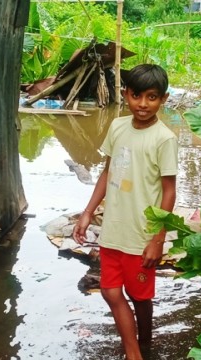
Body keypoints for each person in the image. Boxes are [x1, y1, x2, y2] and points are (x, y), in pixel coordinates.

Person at [72, 64, 178, 360]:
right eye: (136, 95)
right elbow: (107, 172)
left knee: (141, 298)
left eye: (152, 97)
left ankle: (145, 340)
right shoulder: (118, 127)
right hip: (113, 231)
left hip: (141, 235)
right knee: (109, 291)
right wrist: (88, 212)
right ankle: (134, 352)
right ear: (125, 94)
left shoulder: (164, 138)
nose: (143, 104)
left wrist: (158, 238)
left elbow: (169, 191)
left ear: (163, 99)